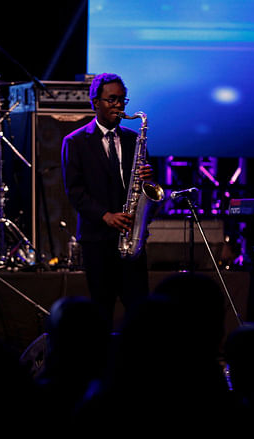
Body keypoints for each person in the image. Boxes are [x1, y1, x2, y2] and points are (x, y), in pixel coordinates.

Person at [61, 72, 154, 329]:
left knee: (140, 311)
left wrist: (148, 180)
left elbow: (146, 187)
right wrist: (106, 216)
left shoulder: (135, 139)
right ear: (95, 102)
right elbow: (75, 191)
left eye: (122, 100)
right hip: (97, 239)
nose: (118, 106)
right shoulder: (75, 142)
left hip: (131, 237)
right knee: (102, 310)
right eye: (111, 100)